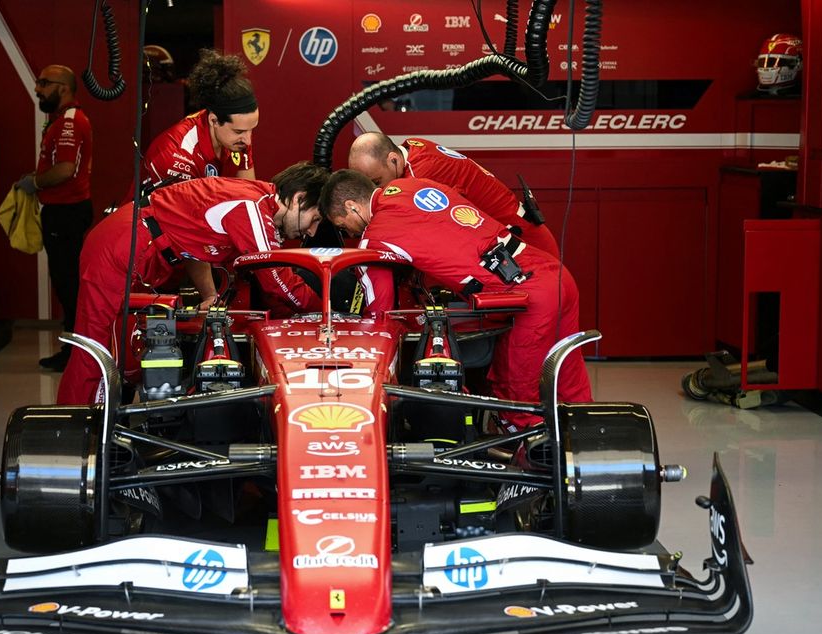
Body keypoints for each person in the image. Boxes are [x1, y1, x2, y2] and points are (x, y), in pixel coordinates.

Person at [319, 170, 591, 429]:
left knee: (515, 398)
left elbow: (381, 316)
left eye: (344, 225)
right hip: (555, 274)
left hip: (527, 297)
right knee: (570, 385)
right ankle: (589, 448)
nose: (351, 234)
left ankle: (528, 471)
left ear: (352, 206)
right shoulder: (412, 184)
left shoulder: (375, 238)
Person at [57, 162, 329, 405]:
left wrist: (210, 293)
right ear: (298, 199)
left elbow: (194, 243)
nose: (312, 231)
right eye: (315, 218)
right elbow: (276, 279)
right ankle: (72, 435)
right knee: (96, 349)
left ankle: (108, 426)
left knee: (127, 354)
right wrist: (326, 312)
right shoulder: (252, 205)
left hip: (142, 250)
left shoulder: (255, 200)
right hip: (121, 247)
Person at [348, 132, 559, 258]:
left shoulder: (418, 177)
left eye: (377, 182)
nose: (378, 191)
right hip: (506, 243)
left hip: (525, 245)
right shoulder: (412, 146)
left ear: (393, 159)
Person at [15, 65, 93, 372]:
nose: (38, 89)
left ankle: (76, 353)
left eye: (44, 83)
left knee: (69, 285)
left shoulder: (71, 121)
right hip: (62, 212)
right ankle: (73, 349)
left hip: (67, 213)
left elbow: (64, 170)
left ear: (63, 87)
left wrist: (35, 182)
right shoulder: (61, 121)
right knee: (65, 284)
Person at [131, 49, 258, 200]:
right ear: (214, 120)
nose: (248, 140)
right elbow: (187, 219)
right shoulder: (177, 156)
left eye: (251, 130)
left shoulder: (238, 137)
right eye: (239, 132)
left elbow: (249, 198)